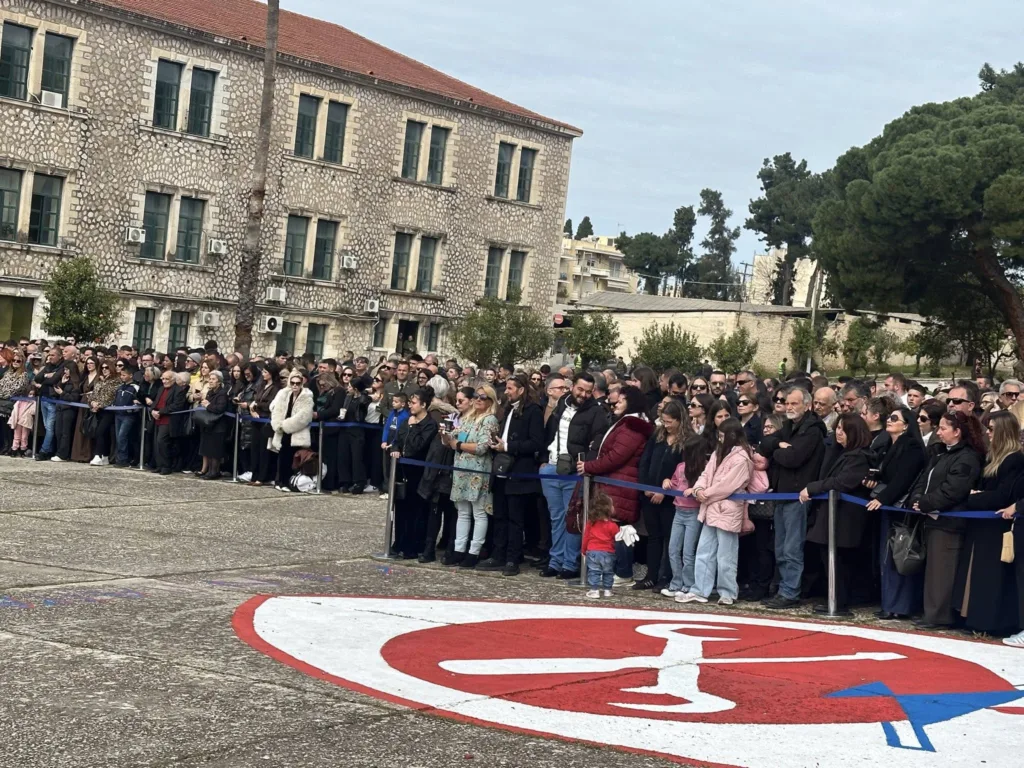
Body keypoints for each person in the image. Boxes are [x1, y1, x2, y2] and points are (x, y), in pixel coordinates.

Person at [908, 410, 985, 629]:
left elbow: (954, 489)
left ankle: (939, 615)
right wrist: (918, 499)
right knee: (933, 569)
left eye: (943, 428)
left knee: (942, 570)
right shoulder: (941, 453)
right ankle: (931, 612)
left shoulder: (967, 457)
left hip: (950, 522)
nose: (939, 433)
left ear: (957, 432)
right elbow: (925, 479)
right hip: (932, 517)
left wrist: (926, 503)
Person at [952, 410, 1024, 633]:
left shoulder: (1013, 460)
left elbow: (1003, 495)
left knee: (991, 577)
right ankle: (973, 619)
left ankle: (989, 623)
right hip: (982, 525)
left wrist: (974, 497)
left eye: (992, 429)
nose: (988, 433)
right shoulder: (993, 457)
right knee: (977, 574)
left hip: (996, 527)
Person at [758, 386, 827, 609]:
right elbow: (764, 443)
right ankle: (783, 589)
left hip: (798, 497)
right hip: (782, 495)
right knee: (780, 547)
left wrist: (776, 452)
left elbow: (793, 458)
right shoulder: (788, 426)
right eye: (787, 403)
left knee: (792, 548)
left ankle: (790, 591)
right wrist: (778, 444)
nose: (789, 407)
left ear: (807, 405)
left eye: (794, 403)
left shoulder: (812, 430)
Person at [579, 385, 653, 588]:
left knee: (620, 528)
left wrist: (588, 466)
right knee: (615, 526)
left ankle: (624, 571)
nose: (615, 403)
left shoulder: (632, 426)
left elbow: (616, 456)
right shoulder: (628, 423)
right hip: (615, 481)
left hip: (620, 483)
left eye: (620, 400)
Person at [800, 414, 874, 615]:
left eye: (842, 429)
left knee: (840, 561)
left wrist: (812, 488)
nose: (838, 432)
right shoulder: (843, 453)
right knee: (830, 558)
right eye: (837, 428)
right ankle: (834, 598)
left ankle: (839, 601)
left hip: (845, 518)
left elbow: (842, 482)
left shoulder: (859, 457)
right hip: (834, 515)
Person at [539, 373, 609, 579]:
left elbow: (599, 441)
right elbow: (550, 432)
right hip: (552, 466)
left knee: (573, 519)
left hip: (574, 470)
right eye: (580, 389)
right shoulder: (562, 403)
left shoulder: (596, 411)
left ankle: (569, 564)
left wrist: (587, 462)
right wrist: (543, 459)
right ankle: (555, 560)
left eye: (588, 391)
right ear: (572, 387)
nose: (584, 394)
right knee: (556, 517)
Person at [678, 418, 754, 606]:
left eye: (723, 435)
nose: (720, 438)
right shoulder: (718, 452)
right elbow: (707, 473)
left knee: (726, 555)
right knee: (704, 551)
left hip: (727, 508)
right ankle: (700, 589)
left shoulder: (743, 458)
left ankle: (728, 592)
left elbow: (728, 485)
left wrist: (705, 494)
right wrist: (699, 489)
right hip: (712, 506)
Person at [477, 374, 545, 576]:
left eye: (510, 388)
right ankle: (498, 554)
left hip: (519, 471)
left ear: (521, 390)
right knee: (500, 515)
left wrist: (508, 446)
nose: (506, 392)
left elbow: (536, 442)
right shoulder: (507, 410)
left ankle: (512, 558)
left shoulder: (533, 411)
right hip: (501, 469)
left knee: (515, 518)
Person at [867, 406, 928, 620]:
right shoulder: (890, 445)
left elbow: (903, 478)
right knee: (887, 558)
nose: (889, 420)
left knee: (899, 556)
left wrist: (881, 499)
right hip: (890, 507)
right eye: (889, 417)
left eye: (895, 418)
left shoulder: (911, 447)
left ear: (906, 425)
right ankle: (890, 603)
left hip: (900, 510)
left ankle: (899, 606)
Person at [445, 385, 499, 568]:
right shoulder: (467, 418)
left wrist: (458, 445)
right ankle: (459, 549)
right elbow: (451, 437)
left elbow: (482, 447)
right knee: (463, 512)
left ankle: (474, 551)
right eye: (476, 396)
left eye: (483, 397)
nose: (478, 400)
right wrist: (444, 435)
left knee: (479, 512)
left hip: (478, 470)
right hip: (461, 469)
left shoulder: (489, 419)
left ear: (490, 401)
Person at [638, 400, 689, 592]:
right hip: (649, 493)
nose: (666, 425)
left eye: (669, 422)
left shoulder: (686, 441)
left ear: (679, 420)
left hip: (671, 498)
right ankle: (651, 575)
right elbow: (645, 461)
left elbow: (684, 471)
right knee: (653, 537)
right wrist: (646, 486)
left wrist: (664, 491)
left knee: (670, 538)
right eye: (664, 421)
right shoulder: (657, 435)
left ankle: (666, 576)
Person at [664, 433, 708, 598]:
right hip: (678, 510)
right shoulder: (681, 466)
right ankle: (676, 583)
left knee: (688, 552)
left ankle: (689, 585)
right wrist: (667, 482)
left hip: (694, 512)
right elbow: (675, 482)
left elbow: (707, 487)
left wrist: (695, 490)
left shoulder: (705, 468)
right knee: (673, 549)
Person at [269, 371, 314, 492]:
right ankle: (279, 481)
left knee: (292, 458)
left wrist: (285, 425)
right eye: (292, 383)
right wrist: (278, 425)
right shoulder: (284, 394)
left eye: (298, 383)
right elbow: (276, 409)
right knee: (281, 456)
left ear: (301, 384)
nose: (295, 385)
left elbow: (304, 417)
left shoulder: (307, 397)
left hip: (296, 432)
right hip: (281, 431)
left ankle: (287, 482)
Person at [337, 366, 370, 494]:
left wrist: (363, 394)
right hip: (345, 429)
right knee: (343, 456)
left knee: (357, 458)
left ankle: (359, 482)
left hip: (357, 431)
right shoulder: (347, 398)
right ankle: (344, 481)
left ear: (355, 389)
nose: (348, 388)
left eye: (350, 386)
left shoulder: (362, 399)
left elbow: (363, 407)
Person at [247, 363, 281, 487]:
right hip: (256, 419)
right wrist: (252, 408)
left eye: (266, 372)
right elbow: (256, 399)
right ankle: (254, 475)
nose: (263, 374)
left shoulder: (276, 388)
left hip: (266, 420)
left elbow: (270, 405)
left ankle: (262, 477)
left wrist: (257, 405)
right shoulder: (262, 385)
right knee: (255, 449)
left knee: (263, 450)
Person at [582, 491, 619, 599]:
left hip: (593, 551)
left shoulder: (591, 523)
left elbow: (586, 538)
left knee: (594, 572)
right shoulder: (613, 526)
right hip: (608, 552)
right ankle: (608, 590)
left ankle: (594, 590)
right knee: (608, 572)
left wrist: (584, 550)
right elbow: (617, 539)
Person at [195, 370, 230, 480]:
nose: (210, 381)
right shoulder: (210, 392)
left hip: (218, 425)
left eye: (213, 379)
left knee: (215, 451)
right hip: (209, 424)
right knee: (208, 449)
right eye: (210, 379)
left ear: (219, 382)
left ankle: (214, 471)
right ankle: (210, 470)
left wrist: (208, 405)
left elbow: (220, 408)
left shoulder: (222, 394)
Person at [86, 358, 119, 466]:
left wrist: (99, 404)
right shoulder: (99, 381)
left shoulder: (116, 381)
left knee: (100, 432)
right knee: (101, 433)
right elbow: (93, 394)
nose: (104, 370)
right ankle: (104, 456)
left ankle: (98, 455)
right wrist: (92, 403)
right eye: (102, 368)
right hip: (98, 411)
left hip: (109, 411)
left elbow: (111, 396)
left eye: (107, 368)